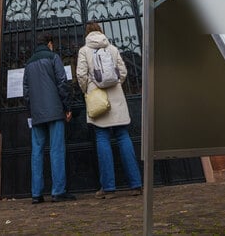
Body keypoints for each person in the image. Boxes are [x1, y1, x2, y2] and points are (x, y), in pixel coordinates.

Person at [76, 22, 143, 199]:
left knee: (102, 138)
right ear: (101, 31)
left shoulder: (84, 50)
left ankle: (108, 188)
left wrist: (89, 90)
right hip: (117, 98)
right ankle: (136, 184)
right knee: (123, 136)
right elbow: (123, 71)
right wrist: (115, 85)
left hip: (98, 100)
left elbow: (81, 75)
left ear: (87, 33)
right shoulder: (112, 48)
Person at [23, 32, 76, 204]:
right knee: (56, 149)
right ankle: (58, 191)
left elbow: (26, 92)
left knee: (36, 152)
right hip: (54, 110)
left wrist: (30, 111)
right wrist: (67, 107)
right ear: (50, 44)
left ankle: (36, 194)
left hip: (37, 113)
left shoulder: (28, 63)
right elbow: (62, 82)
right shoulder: (53, 57)